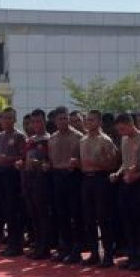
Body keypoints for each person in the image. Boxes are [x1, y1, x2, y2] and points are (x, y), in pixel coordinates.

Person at [79, 109, 120, 266]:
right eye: (87, 120)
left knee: (104, 218)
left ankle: (108, 255)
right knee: (88, 218)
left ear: (99, 122)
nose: (88, 123)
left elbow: (113, 164)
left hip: (101, 179)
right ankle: (94, 253)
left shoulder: (105, 140)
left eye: (92, 120)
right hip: (86, 179)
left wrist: (99, 163)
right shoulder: (82, 140)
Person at [48, 108, 84, 263]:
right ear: (55, 121)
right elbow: (50, 159)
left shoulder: (78, 137)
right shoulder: (52, 138)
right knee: (60, 214)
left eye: (65, 118)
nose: (63, 121)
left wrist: (76, 165)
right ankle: (65, 248)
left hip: (73, 177)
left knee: (75, 214)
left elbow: (85, 160)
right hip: (57, 176)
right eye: (60, 119)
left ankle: (77, 250)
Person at [111, 113, 140, 270]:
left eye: (122, 128)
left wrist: (135, 176)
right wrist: (118, 173)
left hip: (139, 184)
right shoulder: (124, 140)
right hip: (125, 183)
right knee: (127, 221)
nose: (121, 132)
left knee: (139, 222)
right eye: (118, 129)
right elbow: (125, 163)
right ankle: (132, 255)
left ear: (131, 124)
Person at [20, 110, 54, 260]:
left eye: (38, 121)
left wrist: (40, 164)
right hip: (28, 179)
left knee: (42, 214)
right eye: (33, 122)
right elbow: (25, 158)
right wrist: (21, 163)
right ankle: (38, 243)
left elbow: (52, 163)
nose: (35, 124)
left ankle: (45, 247)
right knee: (33, 213)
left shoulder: (49, 139)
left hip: (43, 180)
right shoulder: (30, 140)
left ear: (44, 121)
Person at [0, 108, 28, 256]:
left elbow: (23, 156)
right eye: (3, 118)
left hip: (14, 175)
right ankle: (11, 242)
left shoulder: (19, 136)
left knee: (15, 211)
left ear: (14, 120)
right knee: (6, 209)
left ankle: (17, 244)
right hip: (1, 174)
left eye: (9, 118)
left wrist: (8, 159)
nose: (6, 121)